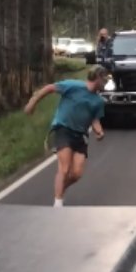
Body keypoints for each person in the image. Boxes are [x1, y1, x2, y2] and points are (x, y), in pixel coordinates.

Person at [23, 65, 108, 207]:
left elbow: (95, 119)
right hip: (64, 129)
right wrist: (32, 103)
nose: (105, 82)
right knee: (64, 168)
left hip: (80, 136)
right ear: (97, 77)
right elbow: (50, 88)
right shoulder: (73, 86)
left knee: (76, 174)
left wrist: (99, 131)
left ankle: (60, 189)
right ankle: (58, 203)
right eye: (104, 79)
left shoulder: (98, 101)